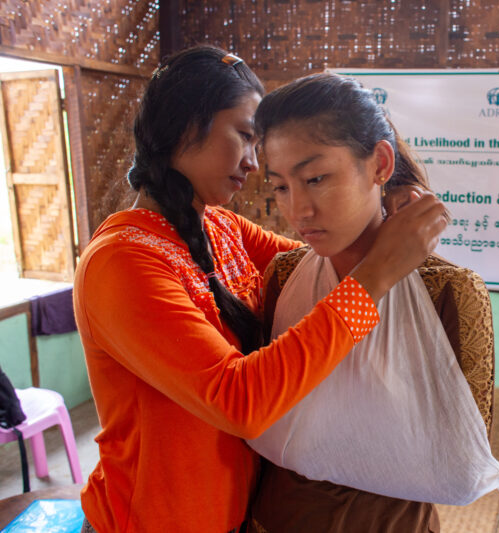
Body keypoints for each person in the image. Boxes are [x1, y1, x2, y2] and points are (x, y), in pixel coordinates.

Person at [72, 46, 446, 533]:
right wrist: (376, 275)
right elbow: (239, 401)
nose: (251, 163)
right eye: (244, 136)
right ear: (185, 126)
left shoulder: (221, 229)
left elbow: (325, 261)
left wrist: (382, 196)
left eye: (314, 178)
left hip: (237, 514)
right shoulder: (121, 262)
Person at [248, 72, 499, 533]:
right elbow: (256, 404)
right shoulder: (283, 277)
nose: (298, 210)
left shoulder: (448, 292)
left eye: (316, 178)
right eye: (281, 186)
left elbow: (461, 463)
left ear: (380, 164)